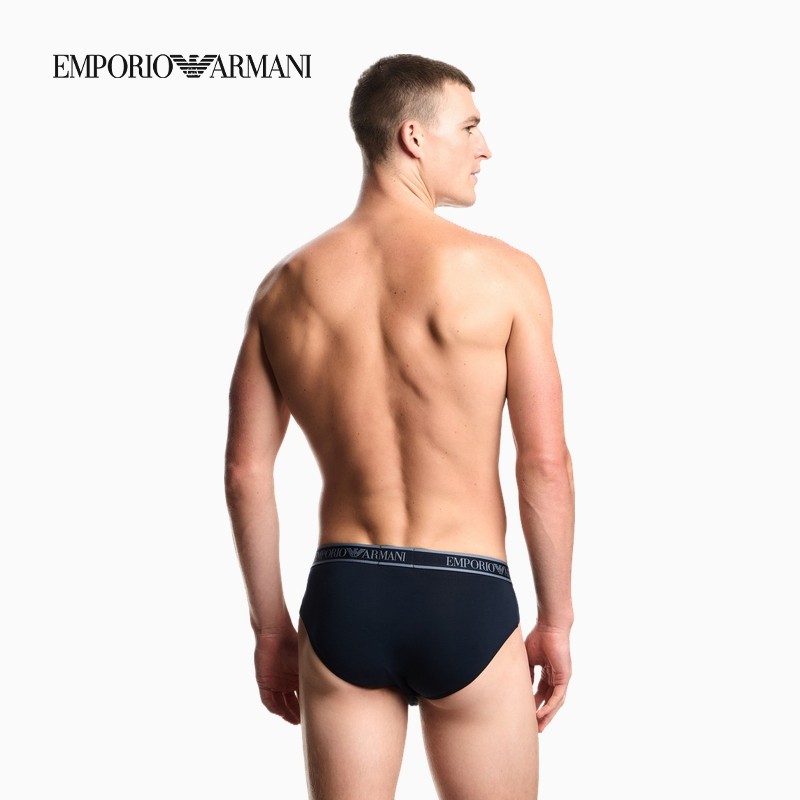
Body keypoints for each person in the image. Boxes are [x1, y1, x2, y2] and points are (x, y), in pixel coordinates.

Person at [224, 53, 575, 800]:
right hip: (467, 594)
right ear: (414, 136)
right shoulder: (507, 274)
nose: (486, 148)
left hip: (345, 592)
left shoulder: (284, 287)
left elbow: (246, 472)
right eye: (470, 128)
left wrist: (270, 628)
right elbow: (544, 463)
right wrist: (557, 618)